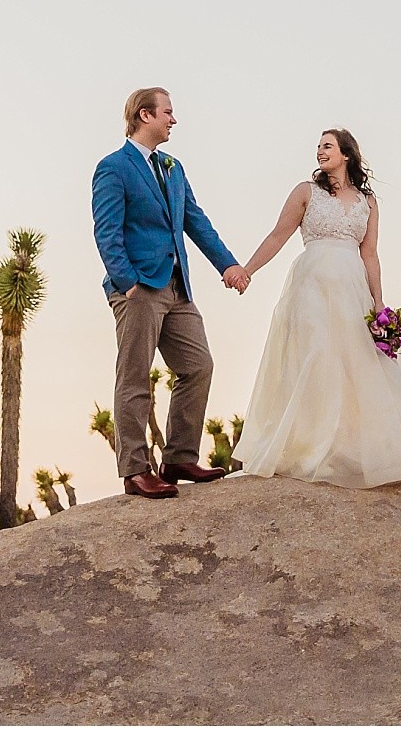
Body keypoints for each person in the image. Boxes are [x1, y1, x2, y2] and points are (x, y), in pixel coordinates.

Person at [235, 128, 401, 487]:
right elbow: (278, 234)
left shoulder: (368, 201)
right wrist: (247, 270)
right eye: (317, 147)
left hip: (352, 288)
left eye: (327, 146)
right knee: (316, 356)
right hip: (311, 284)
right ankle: (313, 446)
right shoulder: (305, 192)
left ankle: (359, 445)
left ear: (346, 154)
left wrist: (378, 303)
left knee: (357, 362)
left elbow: (370, 253)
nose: (319, 151)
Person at [90, 87, 250, 500]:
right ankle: (135, 469)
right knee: (134, 376)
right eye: (167, 112)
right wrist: (128, 283)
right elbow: (106, 232)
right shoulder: (113, 168)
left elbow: (195, 220)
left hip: (178, 288)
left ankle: (178, 456)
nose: (173, 120)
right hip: (139, 287)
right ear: (145, 116)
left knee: (198, 366)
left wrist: (228, 265)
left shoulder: (173, 168)